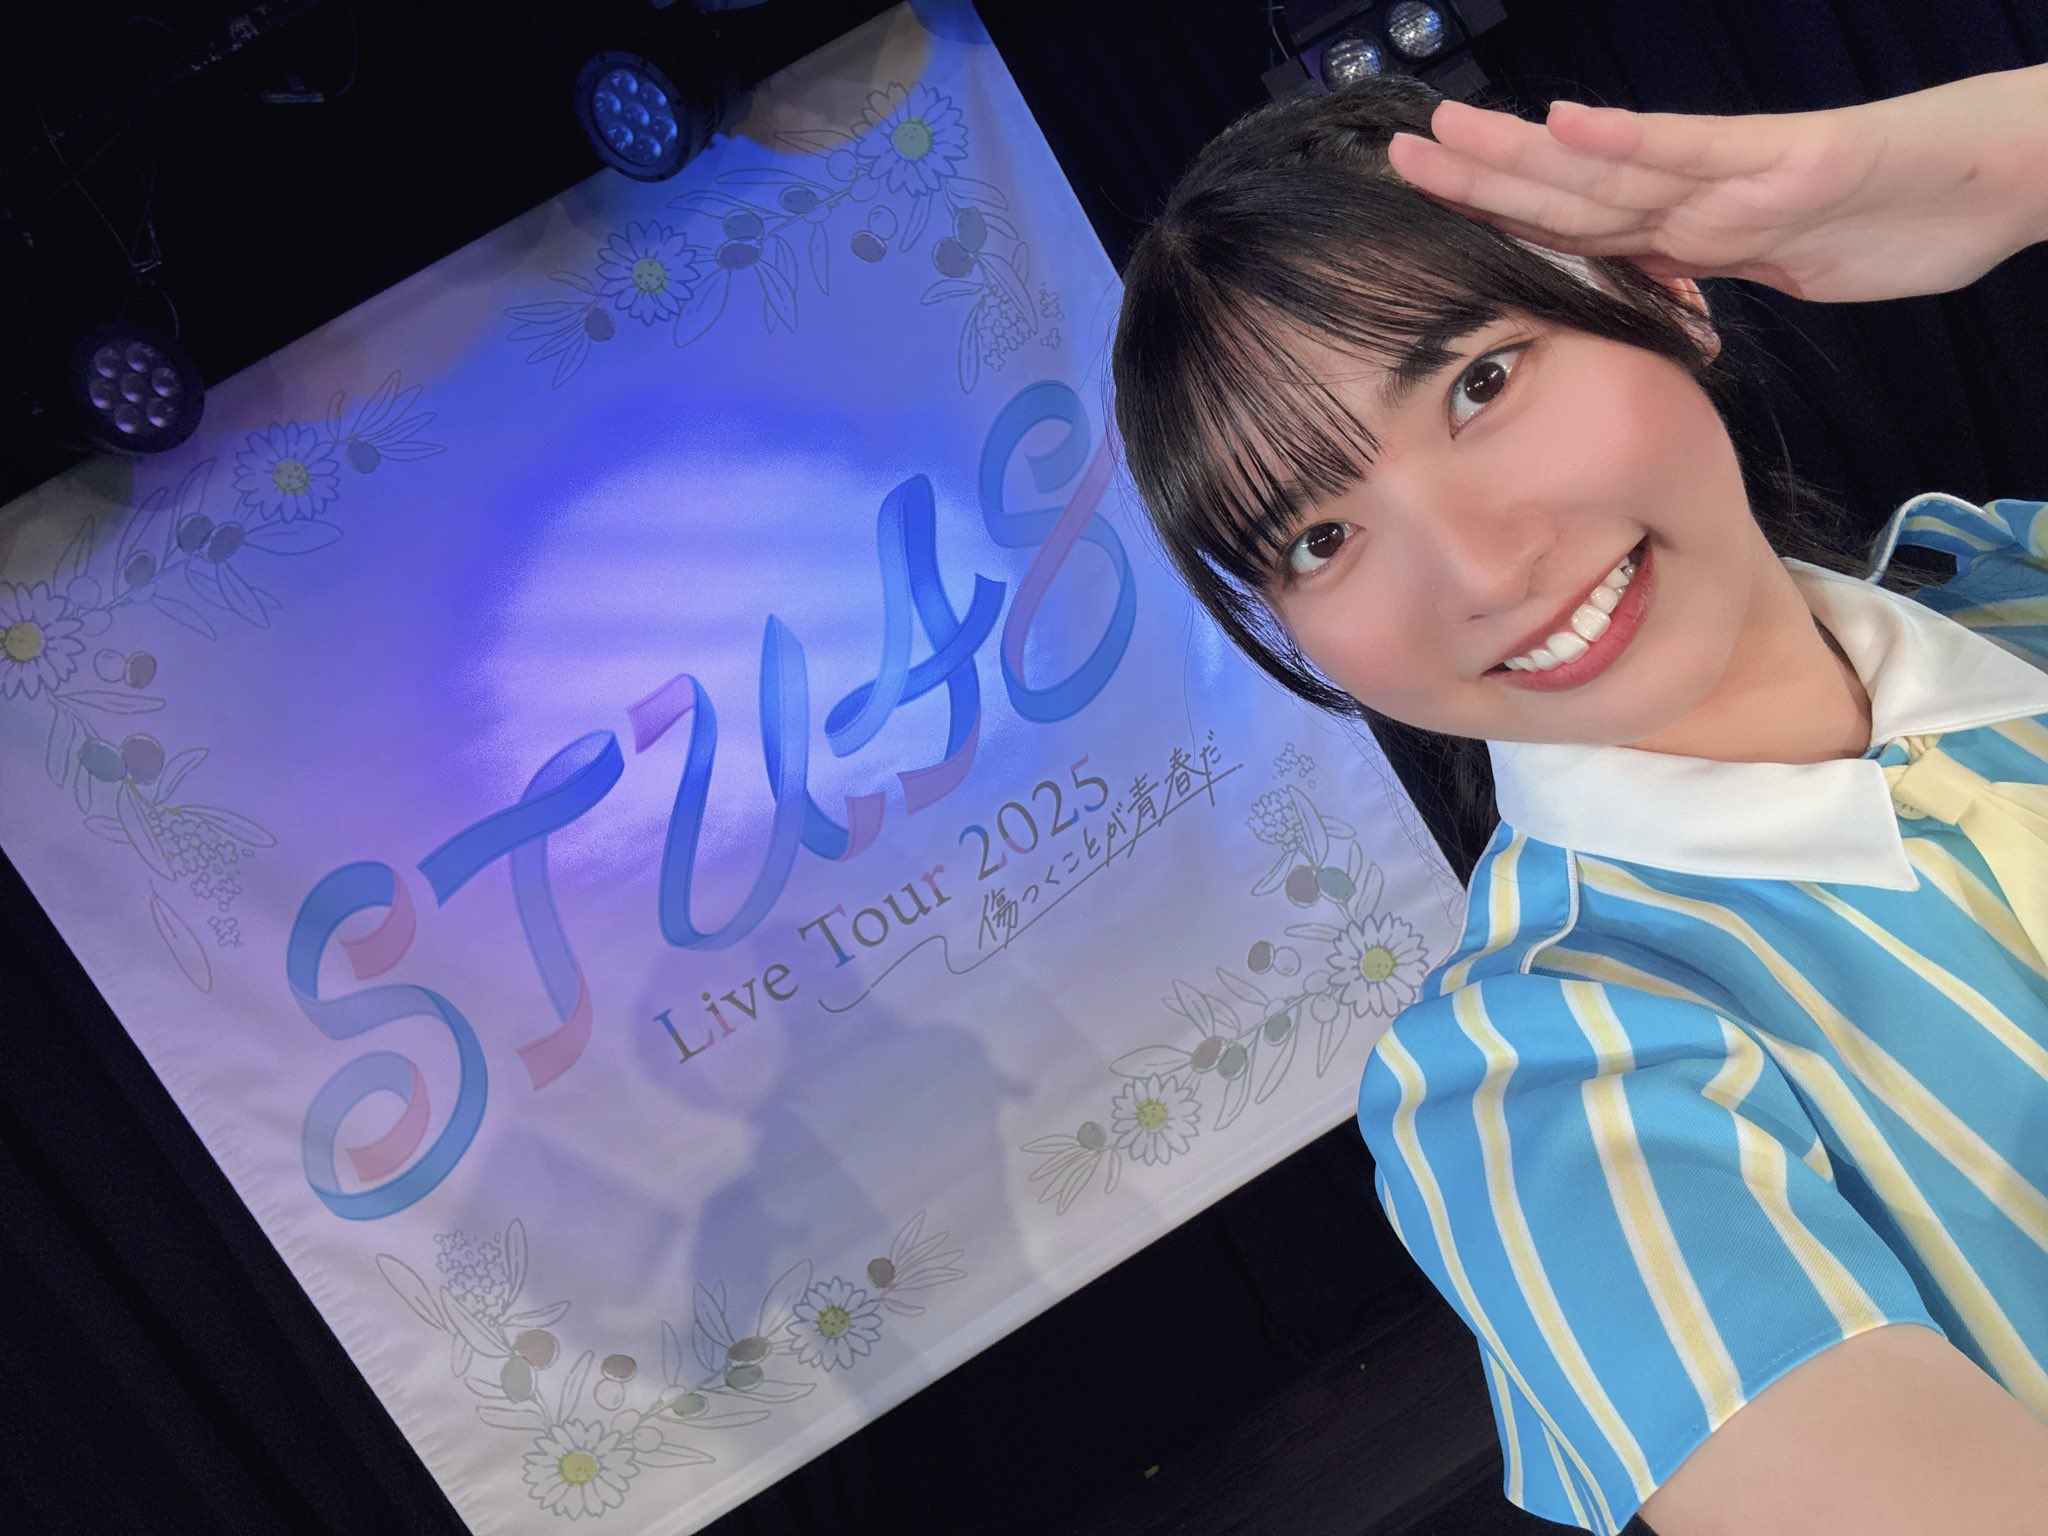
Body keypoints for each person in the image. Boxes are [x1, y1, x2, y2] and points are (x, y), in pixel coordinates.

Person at [1109, 63, 2048, 1536]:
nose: (1483, 572)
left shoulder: (2017, 579)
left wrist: (1998, 156)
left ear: (1665, 290)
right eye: (1320, 537)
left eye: (1479, 383)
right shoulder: (1542, 1083)